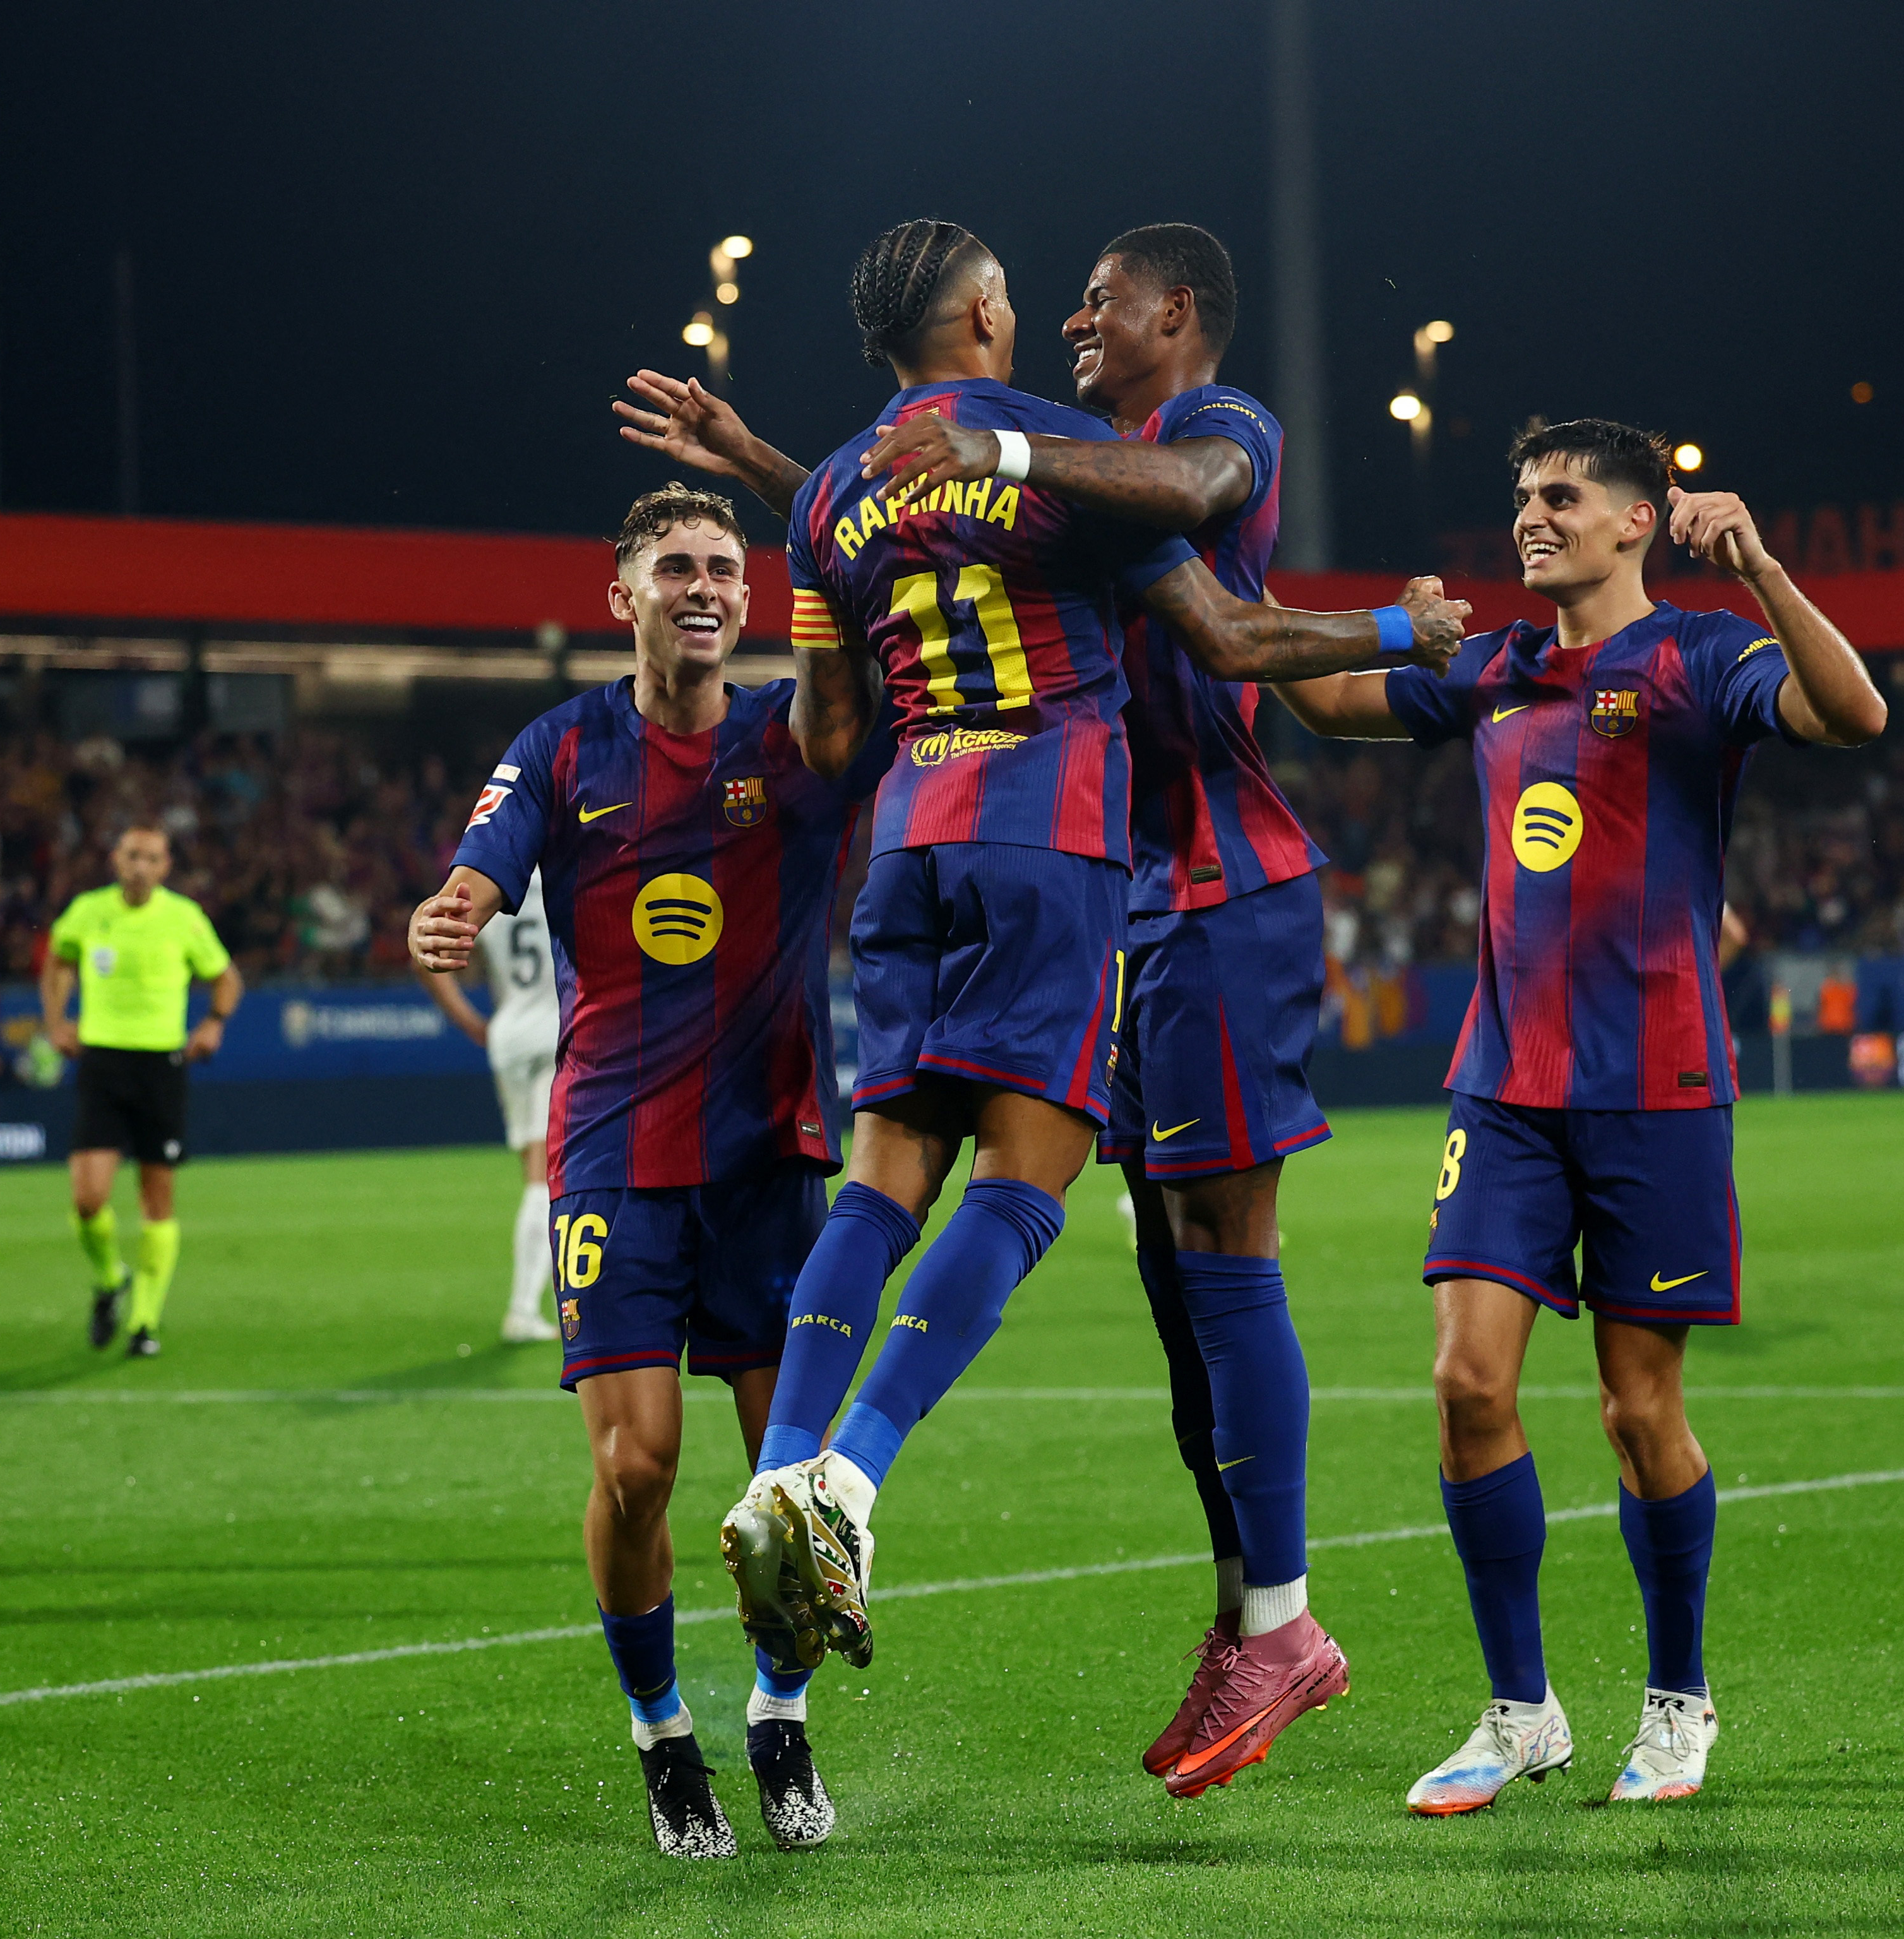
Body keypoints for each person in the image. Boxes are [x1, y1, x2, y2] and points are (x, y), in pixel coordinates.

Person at [614, 218, 1461, 1735]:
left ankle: (788, 1467)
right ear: (987, 314)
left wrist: (783, 473)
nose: (1071, 320)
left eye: (1105, 301)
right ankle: (851, 1483)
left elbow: (823, 725)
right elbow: (1226, 625)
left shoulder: (854, 497)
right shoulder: (1067, 455)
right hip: (1062, 847)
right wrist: (1409, 623)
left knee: (901, 1175)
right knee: (1035, 1182)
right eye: (1050, 302)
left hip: (918, 842)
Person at [1268, 419, 1886, 1813]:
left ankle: (1677, 1697)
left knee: (1636, 1406)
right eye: (1521, 498)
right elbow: (1321, 703)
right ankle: (1519, 1707)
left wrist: (1767, 569)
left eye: (1559, 498)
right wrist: (1220, 591)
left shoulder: (1699, 655)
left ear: (1637, 523)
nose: (1530, 519)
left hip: (1657, 1089)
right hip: (1504, 1088)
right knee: (1466, 1382)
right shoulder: (1491, 666)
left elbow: (1855, 713)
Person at [408, 484, 884, 1860]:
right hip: (616, 1150)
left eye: (725, 569)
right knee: (636, 1467)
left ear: (748, 600)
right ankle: (663, 1731)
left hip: (774, 1151)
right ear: (622, 594)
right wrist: (459, 902)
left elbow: (890, 659)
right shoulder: (562, 746)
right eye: (674, 564)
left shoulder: (794, 738)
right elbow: (481, 866)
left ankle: (778, 1711)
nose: (703, 585)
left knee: (779, 1488)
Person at [44, 823, 242, 1359]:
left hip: (161, 1065)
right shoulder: (87, 911)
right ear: (116, 858)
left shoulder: (183, 917)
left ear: (165, 867)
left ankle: (145, 1322)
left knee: (157, 1198)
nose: (140, 867)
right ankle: (111, 1279)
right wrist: (56, 1019)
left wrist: (213, 1024)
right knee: (88, 1199)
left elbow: (226, 977)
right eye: (132, 856)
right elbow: (59, 959)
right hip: (102, 1062)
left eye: (151, 858)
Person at [417, 869, 562, 1343]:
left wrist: (469, 1022)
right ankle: (523, 1308)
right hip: (561, 1032)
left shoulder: (498, 879)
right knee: (550, 1177)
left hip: (511, 1034)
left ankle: (535, 1304)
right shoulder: (573, 870)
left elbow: (427, 949)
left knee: (538, 1172)